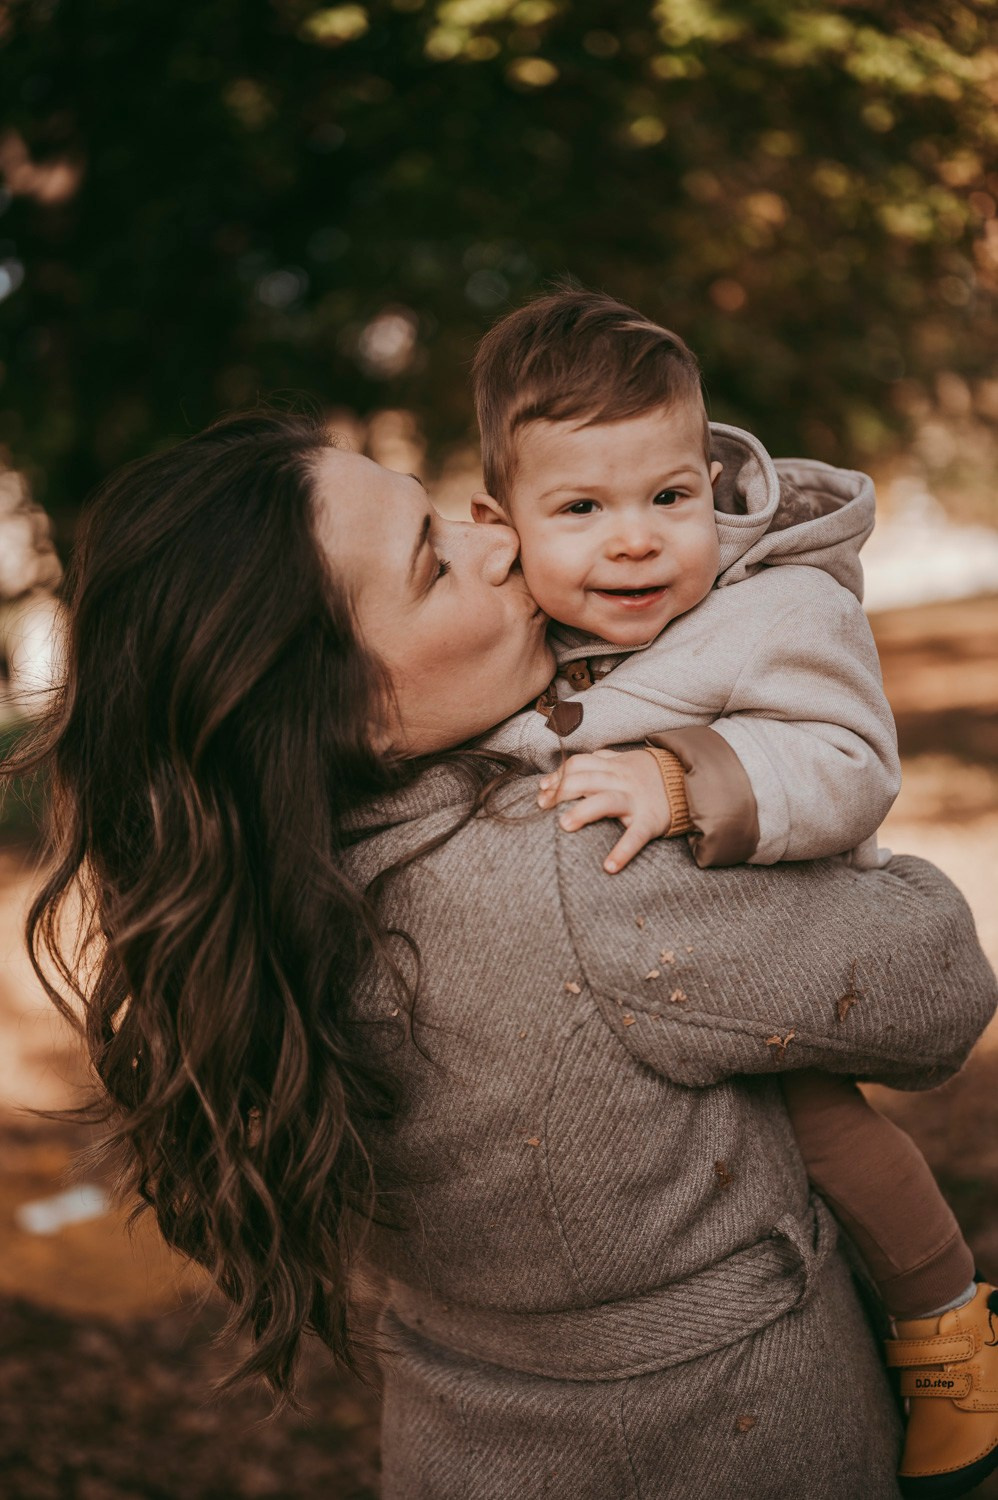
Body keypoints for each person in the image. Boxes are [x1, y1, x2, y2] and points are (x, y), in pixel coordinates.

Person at [15, 409, 997, 1500]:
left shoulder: (282, 898)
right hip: (731, 1439)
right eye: (433, 565)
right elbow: (934, 981)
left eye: (440, 512)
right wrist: (742, 777)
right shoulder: (579, 874)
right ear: (339, 710)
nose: (497, 540)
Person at [469, 287, 998, 1496]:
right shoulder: (523, 628)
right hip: (637, 984)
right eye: (582, 509)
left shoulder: (774, 612)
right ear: (503, 523)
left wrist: (684, 780)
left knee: (825, 1132)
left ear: (714, 478)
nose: (635, 540)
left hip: (777, 935)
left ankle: (944, 1316)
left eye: (668, 497)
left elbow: (852, 765)